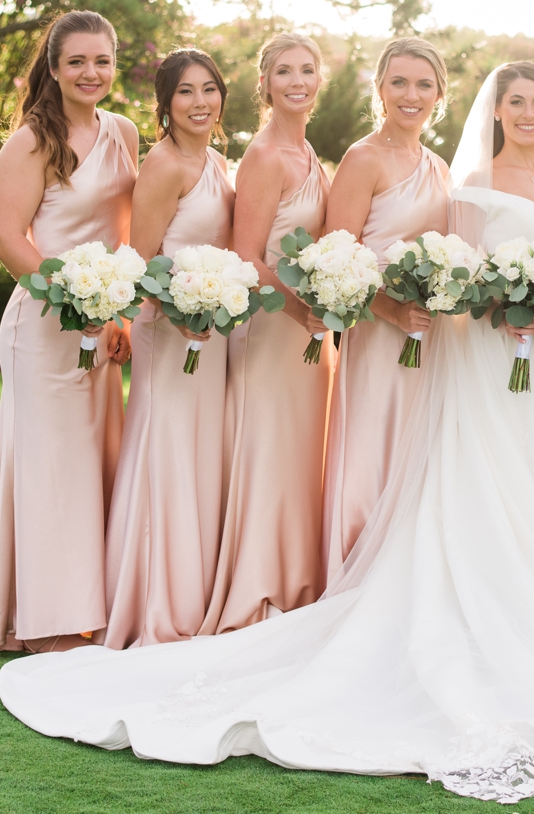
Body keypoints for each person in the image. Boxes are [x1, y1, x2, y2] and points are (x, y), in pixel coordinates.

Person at [0, 63, 534, 803]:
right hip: (484, 350)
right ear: (496, 111)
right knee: (482, 491)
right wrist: (478, 297)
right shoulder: (466, 183)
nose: (526, 113)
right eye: (515, 101)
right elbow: (457, 264)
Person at [0, 10, 137, 653]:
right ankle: (46, 624)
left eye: (102, 61)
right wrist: (71, 298)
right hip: (44, 328)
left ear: (114, 65)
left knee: (92, 467)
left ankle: (87, 609)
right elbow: (7, 237)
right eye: (78, 61)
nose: (91, 73)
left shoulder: (125, 133)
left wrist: (113, 310)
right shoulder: (30, 140)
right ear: (54, 68)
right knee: (52, 469)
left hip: (103, 328)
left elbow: (125, 235)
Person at [102, 48, 235, 649]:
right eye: (186, 92)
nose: (200, 102)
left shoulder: (217, 162)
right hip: (172, 331)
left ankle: (195, 590)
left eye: (209, 89)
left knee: (200, 455)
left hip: (212, 334)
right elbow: (141, 261)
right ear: (165, 103)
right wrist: (179, 313)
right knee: (166, 450)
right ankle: (151, 601)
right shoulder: (161, 165)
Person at [203, 33, 334, 634]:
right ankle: (257, 588)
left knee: (301, 453)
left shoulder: (312, 155)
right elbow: (247, 256)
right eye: (285, 72)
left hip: (309, 335)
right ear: (266, 84)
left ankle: (297, 580)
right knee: (268, 447)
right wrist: (301, 308)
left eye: (307, 70)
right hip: (271, 327)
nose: (298, 81)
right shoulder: (263, 156)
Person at [321, 37, 451, 577]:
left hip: (430, 338)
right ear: (379, 90)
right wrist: (391, 310)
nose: (410, 94)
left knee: (416, 453)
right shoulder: (363, 158)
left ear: (439, 96)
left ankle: (407, 576)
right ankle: (358, 572)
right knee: (372, 448)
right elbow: (336, 258)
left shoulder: (440, 167)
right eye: (398, 82)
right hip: (377, 332)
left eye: (424, 84)